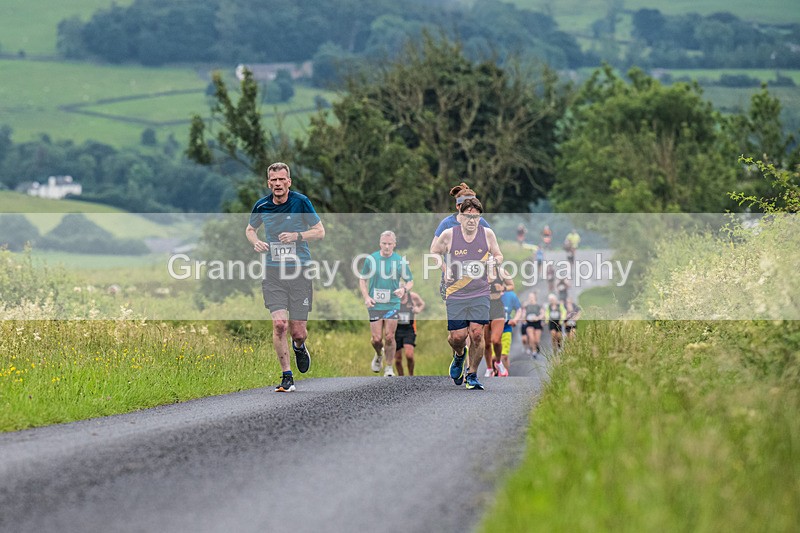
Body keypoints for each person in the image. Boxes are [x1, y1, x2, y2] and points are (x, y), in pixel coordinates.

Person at [246, 162, 325, 393]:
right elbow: (250, 229)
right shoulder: (261, 205)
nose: (278, 184)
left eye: (282, 180)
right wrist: (256, 242)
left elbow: (320, 231)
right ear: (268, 182)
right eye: (274, 180)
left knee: (298, 332)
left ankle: (299, 346)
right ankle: (286, 376)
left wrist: (297, 235)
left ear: (289, 181)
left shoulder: (301, 202)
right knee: (279, 324)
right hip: (273, 272)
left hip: (299, 272)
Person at [430, 198, 503, 390]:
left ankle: (472, 375)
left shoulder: (487, 234)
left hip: (480, 292)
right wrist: (445, 269)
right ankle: (459, 355)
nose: (472, 220)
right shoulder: (449, 234)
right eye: (468, 216)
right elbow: (435, 252)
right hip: (456, 292)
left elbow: (498, 254)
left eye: (475, 216)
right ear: (460, 217)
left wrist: (493, 264)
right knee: (457, 337)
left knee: (477, 334)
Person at [359, 231, 414, 377]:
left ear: (394, 244)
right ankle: (378, 354)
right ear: (380, 243)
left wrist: (403, 289)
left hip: (392, 304)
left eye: (390, 244)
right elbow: (362, 279)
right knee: (377, 339)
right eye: (384, 243)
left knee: (389, 336)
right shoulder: (371, 259)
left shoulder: (400, 261)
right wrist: (366, 297)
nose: (387, 246)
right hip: (375, 304)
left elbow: (410, 281)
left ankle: (389, 367)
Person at [431, 183, 491, 300]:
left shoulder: (481, 222)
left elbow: (492, 249)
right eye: (466, 206)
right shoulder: (447, 224)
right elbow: (433, 251)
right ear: (458, 207)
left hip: (477, 280)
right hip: (454, 280)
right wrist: (445, 269)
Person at [394, 286, 426, 376]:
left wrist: (418, 309)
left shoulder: (412, 297)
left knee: (409, 355)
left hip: (409, 329)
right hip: (396, 330)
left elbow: (422, 304)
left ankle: (410, 376)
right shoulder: (392, 299)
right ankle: (401, 378)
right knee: (398, 359)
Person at [483, 270, 507, 378]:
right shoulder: (479, 271)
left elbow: (511, 285)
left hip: (497, 307)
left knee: (496, 340)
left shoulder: (501, 271)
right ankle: (489, 368)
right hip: (483, 307)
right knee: (486, 343)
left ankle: (498, 362)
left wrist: (502, 288)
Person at [499, 278, 523, 375]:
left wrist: (515, 319)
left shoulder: (511, 295)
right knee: (493, 357)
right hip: (492, 330)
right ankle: (493, 378)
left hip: (506, 328)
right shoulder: (489, 296)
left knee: (504, 356)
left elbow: (519, 309)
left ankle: (505, 377)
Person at [521, 292, 544, 356]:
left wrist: (538, 317)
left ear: (535, 297)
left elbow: (542, 314)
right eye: (530, 297)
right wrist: (524, 318)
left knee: (537, 340)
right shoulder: (526, 306)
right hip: (529, 323)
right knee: (531, 337)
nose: (531, 298)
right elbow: (523, 314)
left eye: (532, 297)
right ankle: (534, 351)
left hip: (537, 323)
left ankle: (536, 346)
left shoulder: (538, 305)